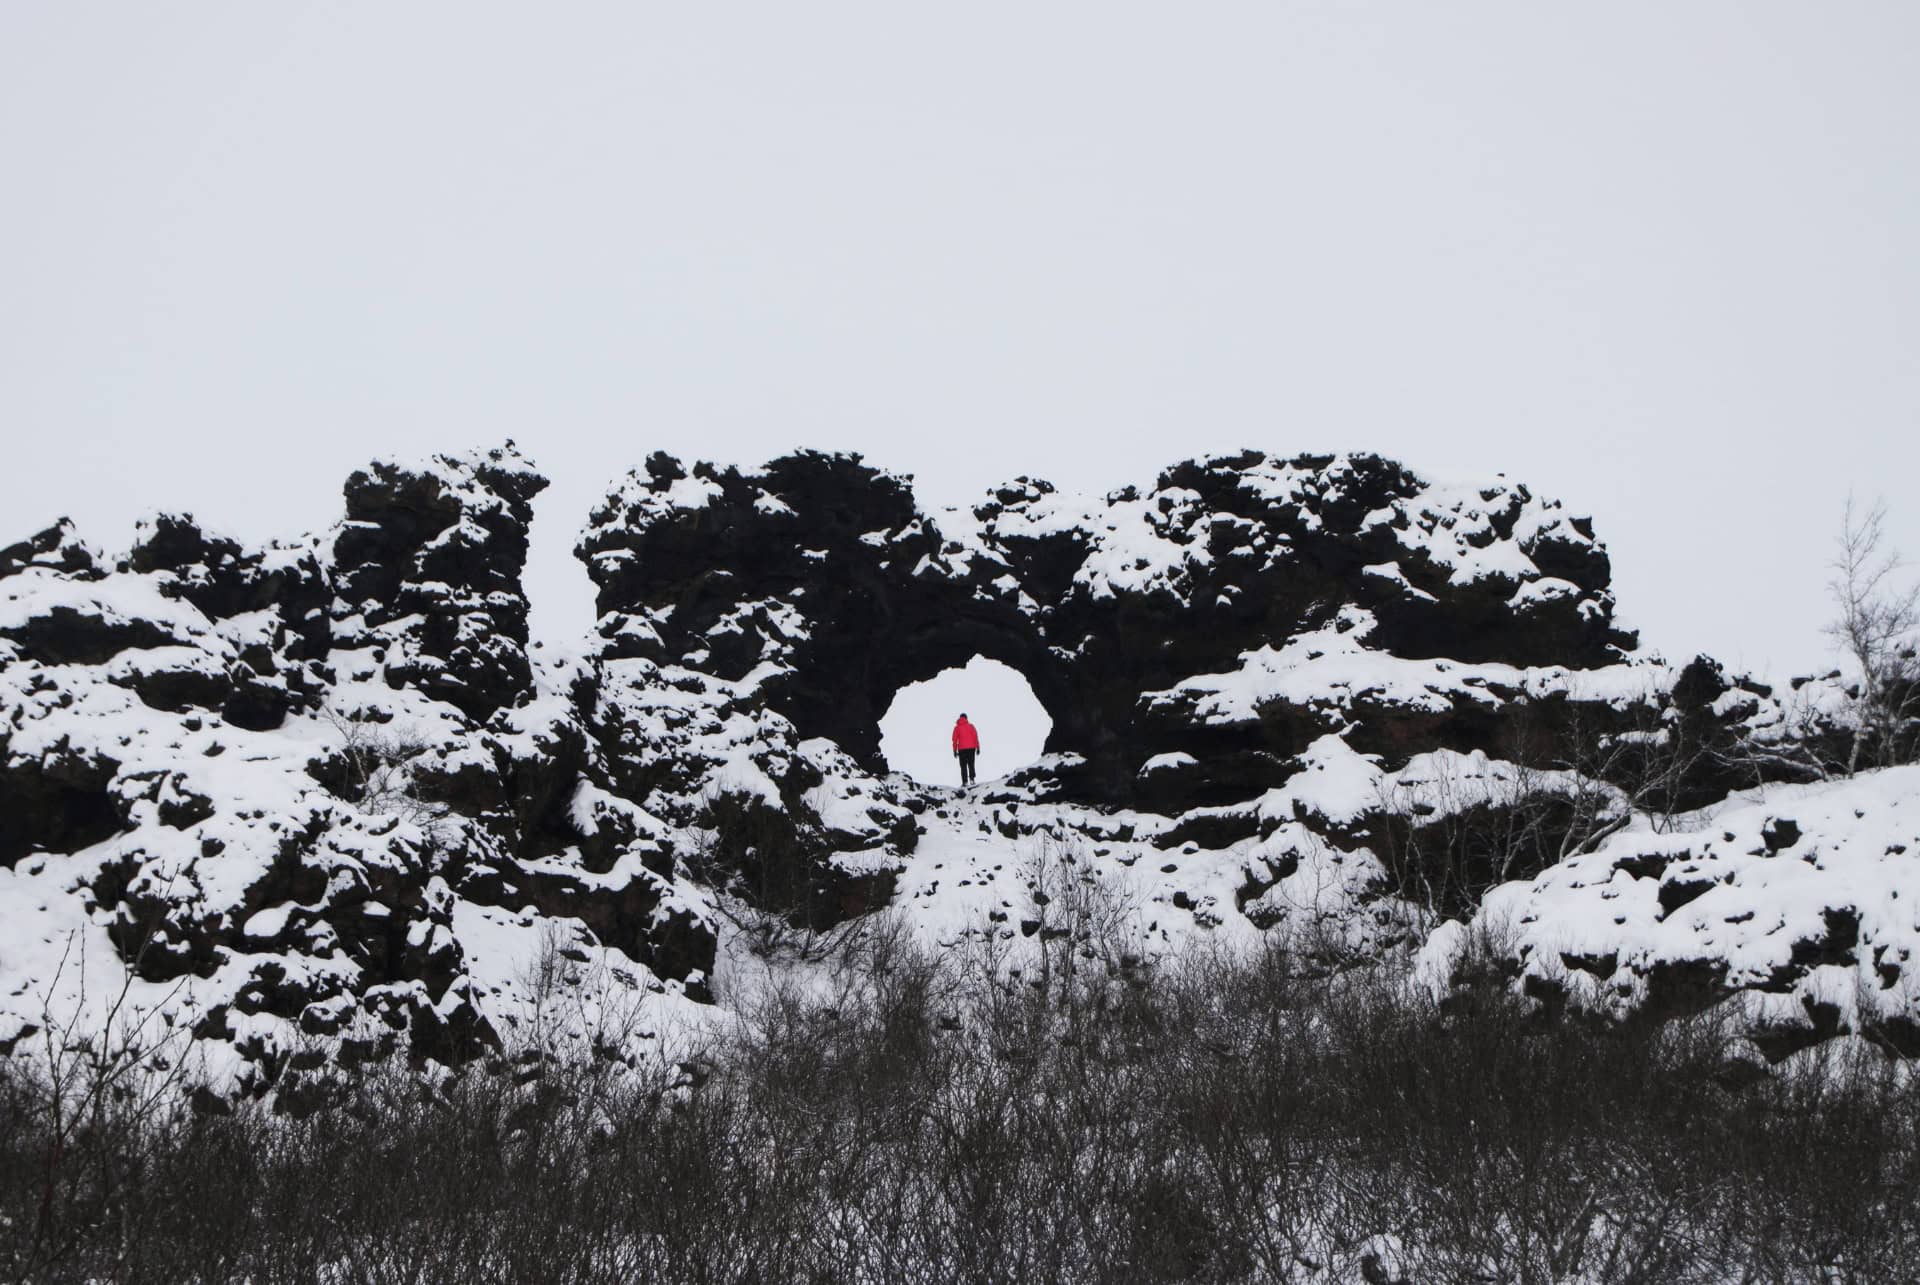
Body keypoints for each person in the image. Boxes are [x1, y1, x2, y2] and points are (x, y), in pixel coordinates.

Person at [951, 713, 980, 787]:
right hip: (971, 748)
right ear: (966, 718)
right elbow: (975, 737)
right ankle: (972, 779)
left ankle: (965, 782)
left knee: (963, 765)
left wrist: (954, 750)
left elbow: (954, 740)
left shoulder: (957, 728)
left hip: (962, 749)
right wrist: (978, 747)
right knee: (971, 764)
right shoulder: (971, 726)